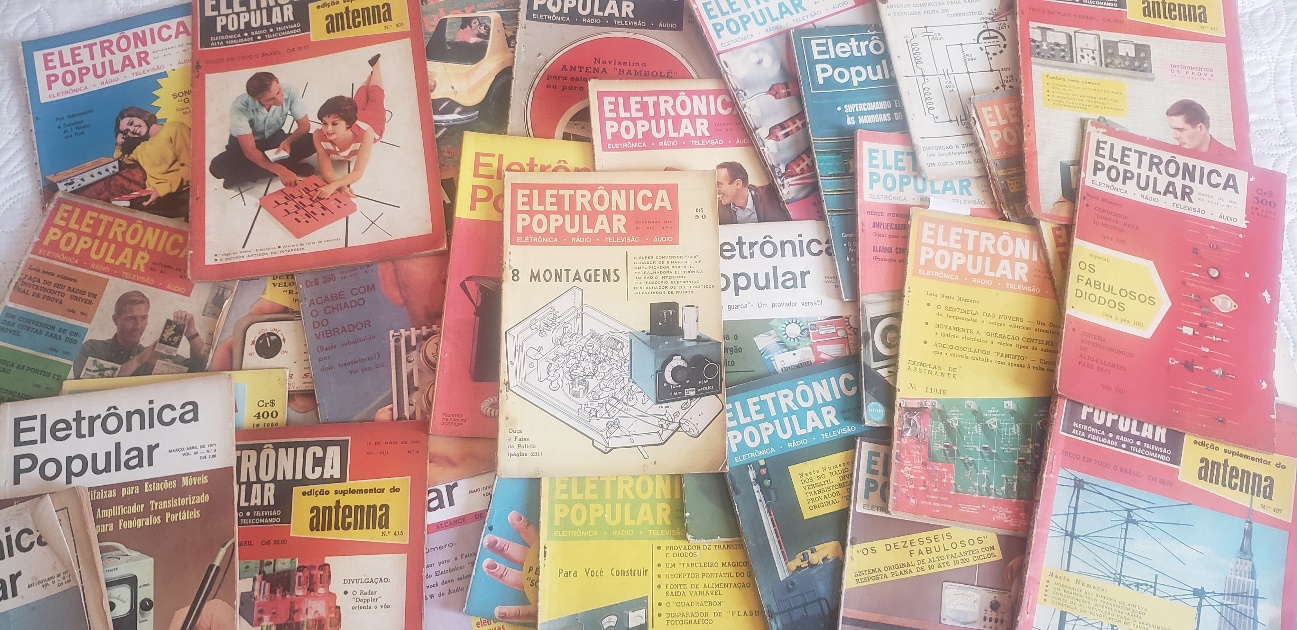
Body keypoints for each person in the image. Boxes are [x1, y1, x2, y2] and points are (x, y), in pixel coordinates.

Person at [208, 72, 316, 188]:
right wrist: (281, 170)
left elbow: (304, 126)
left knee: (313, 140)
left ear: (277, 80)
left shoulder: (290, 91)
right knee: (217, 167)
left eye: (279, 92)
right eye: (270, 99)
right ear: (256, 99)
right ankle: (289, 166)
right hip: (245, 146)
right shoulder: (240, 106)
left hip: (274, 140)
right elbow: (250, 151)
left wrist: (288, 142)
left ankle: (247, 174)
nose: (279, 100)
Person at [72, 291, 210, 379]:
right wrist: (140, 360)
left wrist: (192, 333)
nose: (138, 326)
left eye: (143, 318)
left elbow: (205, 367)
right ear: (116, 320)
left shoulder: (157, 356)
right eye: (131, 319)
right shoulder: (92, 348)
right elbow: (88, 383)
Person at [313, 55, 386, 199]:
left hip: (371, 121)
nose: (328, 129)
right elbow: (327, 171)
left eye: (334, 124)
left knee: (376, 98)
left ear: (348, 123)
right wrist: (341, 186)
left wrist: (334, 186)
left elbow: (358, 171)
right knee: (359, 99)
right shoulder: (318, 135)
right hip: (353, 118)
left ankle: (376, 67)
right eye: (324, 123)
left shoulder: (367, 133)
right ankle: (370, 76)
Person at [113, 107, 191, 216]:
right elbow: (121, 163)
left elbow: (193, 168)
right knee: (118, 211)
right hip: (154, 196)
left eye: (131, 123)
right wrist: (119, 146)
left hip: (179, 194)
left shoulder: (175, 128)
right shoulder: (140, 148)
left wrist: (161, 191)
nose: (132, 129)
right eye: (127, 131)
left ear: (140, 116)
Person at [715, 161, 791, 224]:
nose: (715, 189)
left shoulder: (771, 195)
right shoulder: (718, 210)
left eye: (719, 184)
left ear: (738, 184)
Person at [1165, 99, 1237, 160]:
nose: (1175, 136)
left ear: (1201, 129)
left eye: (1180, 130)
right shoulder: (1171, 157)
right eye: (1173, 129)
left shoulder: (1232, 160)